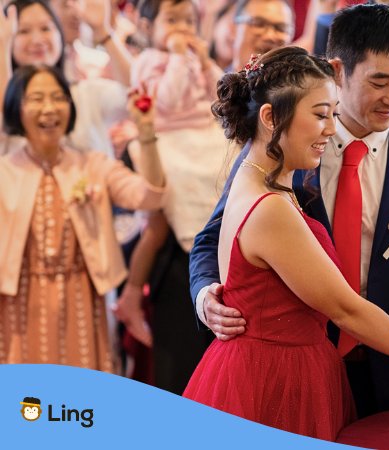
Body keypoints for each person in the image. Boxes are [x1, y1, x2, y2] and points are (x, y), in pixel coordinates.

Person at [191, 4, 389, 417]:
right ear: (338, 71)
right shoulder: (279, 148)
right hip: (292, 369)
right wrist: (208, 296)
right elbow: (214, 238)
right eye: (379, 82)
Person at [0, 65, 165, 370]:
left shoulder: (93, 165)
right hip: (19, 307)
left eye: (58, 97)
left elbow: (150, 195)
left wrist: (146, 134)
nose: (49, 108)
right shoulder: (4, 173)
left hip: (82, 303)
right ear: (15, 108)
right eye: (36, 98)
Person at [114, 0, 230, 394]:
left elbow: (220, 93)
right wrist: (182, 57)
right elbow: (168, 98)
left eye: (188, 21)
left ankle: (221, 234)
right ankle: (195, 234)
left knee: (228, 167)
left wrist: (203, 59)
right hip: (166, 136)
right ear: (148, 25)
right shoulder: (148, 60)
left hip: (205, 134)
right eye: (172, 20)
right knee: (177, 187)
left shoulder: (196, 55)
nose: (182, 28)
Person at [0, 0, 129, 157]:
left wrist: (103, 32)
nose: (37, 40)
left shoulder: (86, 93)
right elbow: (5, 116)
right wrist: (2, 48)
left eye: (46, 28)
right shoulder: (10, 102)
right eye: (23, 31)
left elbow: (135, 95)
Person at [229, 0, 293, 72]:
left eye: (281, 28)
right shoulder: (215, 81)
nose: (270, 36)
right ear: (233, 29)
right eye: (259, 24)